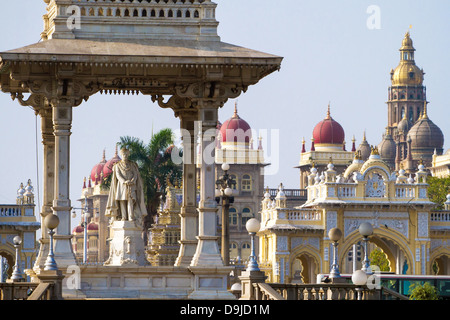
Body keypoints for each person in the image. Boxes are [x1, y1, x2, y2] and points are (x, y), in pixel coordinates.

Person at [106, 148, 147, 226]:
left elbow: (135, 174)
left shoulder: (132, 165)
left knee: (131, 201)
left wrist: (132, 180)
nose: (125, 155)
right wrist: (124, 181)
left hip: (131, 185)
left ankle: (131, 217)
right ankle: (124, 217)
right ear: (121, 155)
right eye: (123, 154)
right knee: (122, 202)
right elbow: (118, 175)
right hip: (121, 186)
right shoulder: (117, 165)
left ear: (128, 154)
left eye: (126, 154)